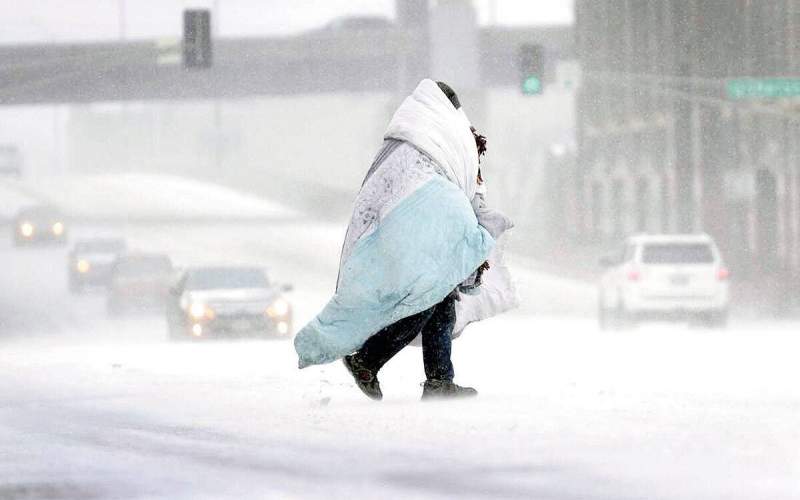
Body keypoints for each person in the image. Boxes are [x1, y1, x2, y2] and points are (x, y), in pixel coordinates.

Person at [294, 79, 514, 400]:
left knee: (439, 300)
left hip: (401, 231)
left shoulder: (405, 142)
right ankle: (368, 359)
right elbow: (452, 187)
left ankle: (439, 380)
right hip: (417, 231)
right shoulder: (440, 137)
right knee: (426, 298)